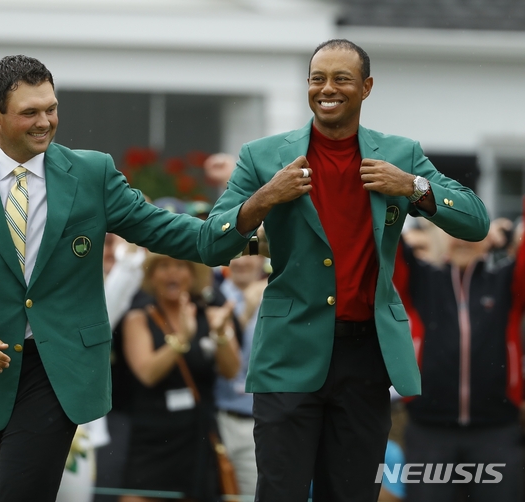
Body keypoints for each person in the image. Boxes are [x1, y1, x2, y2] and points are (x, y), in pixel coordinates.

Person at [196, 38, 490, 502]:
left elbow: (475, 221)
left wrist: (411, 185)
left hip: (366, 356)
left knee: (353, 493)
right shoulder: (262, 155)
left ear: (366, 87)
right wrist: (264, 198)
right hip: (288, 352)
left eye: (341, 79)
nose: (327, 89)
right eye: (317, 79)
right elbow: (212, 242)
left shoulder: (401, 153)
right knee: (279, 492)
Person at [0, 55, 205, 502]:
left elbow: (160, 227)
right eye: (30, 112)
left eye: (51, 108)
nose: (45, 121)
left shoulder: (93, 172)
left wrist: (245, 232)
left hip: (59, 367)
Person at [393, 217, 525, 501]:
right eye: (455, 230)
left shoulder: (506, 283)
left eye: (472, 231)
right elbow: (386, 243)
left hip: (497, 430)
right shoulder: (422, 279)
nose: (463, 239)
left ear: (490, 238)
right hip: (429, 429)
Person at [119, 253, 240, 502]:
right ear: (152, 276)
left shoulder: (211, 315)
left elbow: (232, 370)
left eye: (180, 266)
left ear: (193, 275)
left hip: (197, 435)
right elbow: (147, 373)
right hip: (152, 437)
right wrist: (181, 339)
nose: (172, 273)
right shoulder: (138, 317)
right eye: (163, 266)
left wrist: (220, 335)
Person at [215, 254, 267, 496]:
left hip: (257, 418)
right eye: (236, 254)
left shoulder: (276, 295)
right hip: (217, 417)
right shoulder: (213, 294)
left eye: (250, 254)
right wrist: (245, 311)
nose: (242, 261)